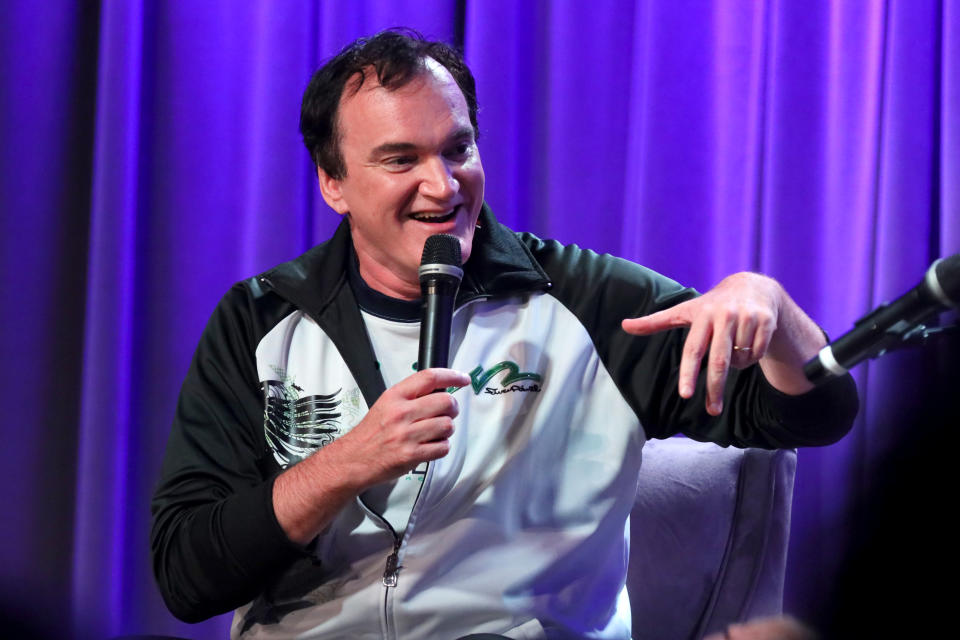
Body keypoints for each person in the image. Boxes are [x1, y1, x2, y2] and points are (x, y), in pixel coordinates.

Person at [151, 30, 858, 639]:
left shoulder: (586, 301)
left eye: (458, 149)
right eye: (401, 160)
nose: (443, 185)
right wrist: (347, 463)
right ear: (333, 183)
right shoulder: (261, 319)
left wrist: (773, 314)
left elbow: (813, 413)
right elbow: (188, 576)